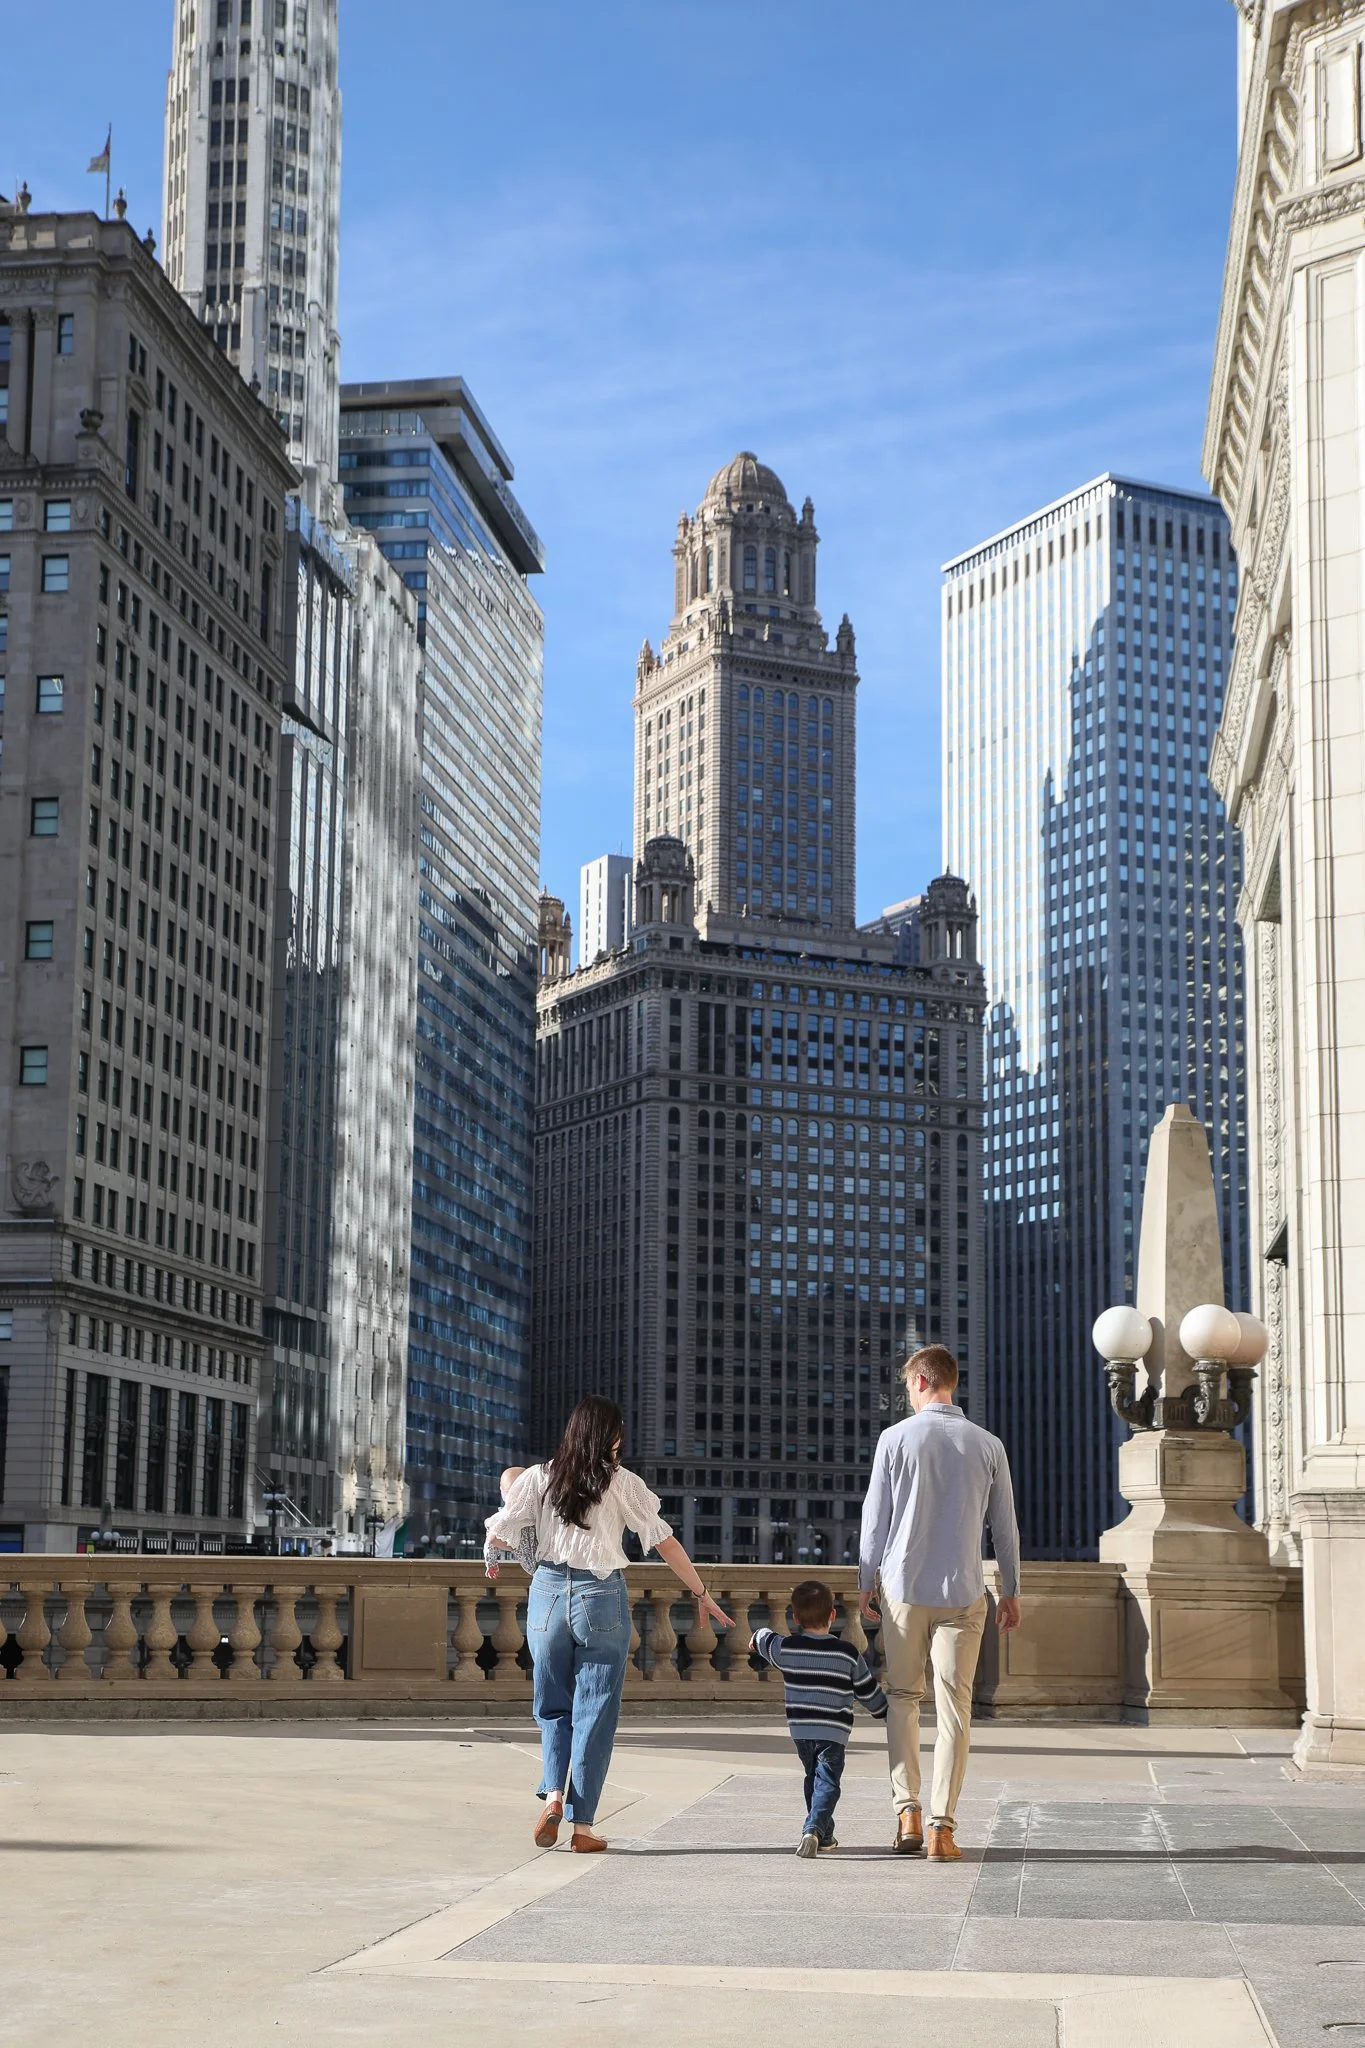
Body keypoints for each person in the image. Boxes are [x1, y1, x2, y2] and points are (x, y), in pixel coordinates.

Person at [484, 1396, 732, 1853]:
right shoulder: (623, 1484)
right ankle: (583, 1828)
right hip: (601, 1597)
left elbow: (499, 1531)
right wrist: (702, 1594)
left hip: (548, 1594)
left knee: (552, 1706)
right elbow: (664, 1542)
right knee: (595, 1712)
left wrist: (498, 1550)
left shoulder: (539, 1477)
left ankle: (553, 1795)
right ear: (611, 1437)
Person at [859, 1344, 1020, 1863]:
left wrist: (866, 1581)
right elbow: (1005, 1528)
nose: (908, 1393)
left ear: (923, 1382)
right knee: (955, 1710)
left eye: (909, 1385)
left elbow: (875, 1521)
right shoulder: (988, 1444)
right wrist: (1011, 1589)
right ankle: (941, 1830)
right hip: (964, 1591)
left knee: (903, 1698)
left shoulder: (893, 1440)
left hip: (904, 1589)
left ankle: (905, 1810)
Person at [751, 1578, 888, 1859]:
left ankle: (824, 1836)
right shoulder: (847, 1653)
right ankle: (812, 1828)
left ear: (796, 1617)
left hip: (801, 1731)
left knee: (812, 1777)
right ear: (833, 1615)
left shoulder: (788, 1648)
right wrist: (884, 1711)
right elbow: (866, 1690)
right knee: (828, 1781)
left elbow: (764, 1638)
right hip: (833, 1732)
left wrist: (756, 1637)